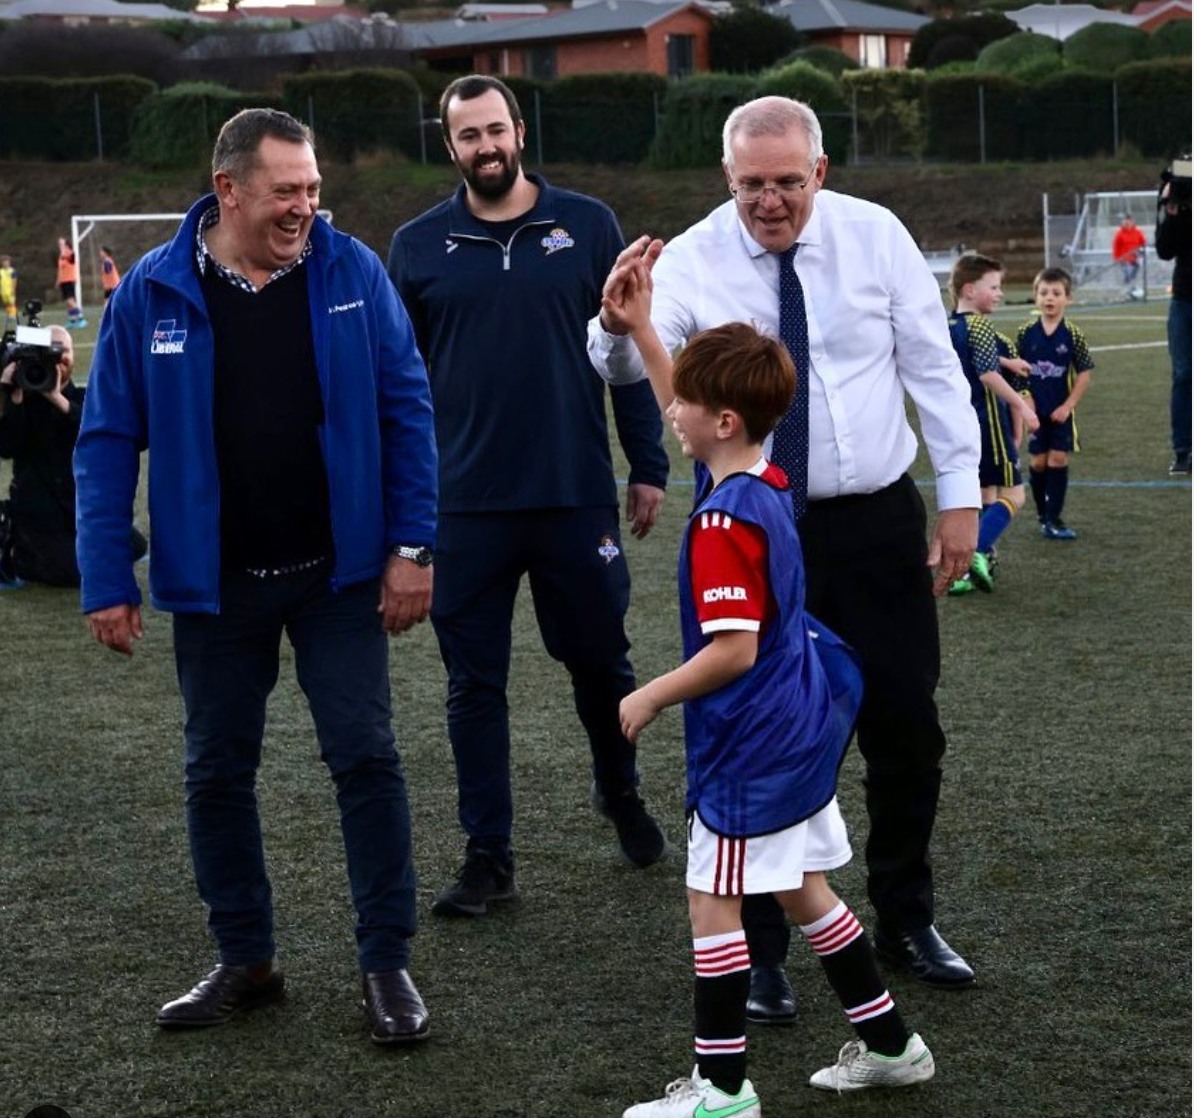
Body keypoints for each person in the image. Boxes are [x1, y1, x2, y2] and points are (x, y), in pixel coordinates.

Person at [589, 95, 981, 1017]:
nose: (770, 201)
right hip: (758, 528)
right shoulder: (693, 256)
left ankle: (906, 917)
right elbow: (634, 370)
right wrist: (615, 323)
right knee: (755, 736)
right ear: (727, 178)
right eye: (752, 185)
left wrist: (962, 497)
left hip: (873, 520)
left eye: (788, 183)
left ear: (822, 171)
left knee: (905, 723)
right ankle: (760, 953)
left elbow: (933, 367)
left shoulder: (876, 236)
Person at [74, 108, 439, 1045]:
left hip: (337, 575)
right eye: (285, 191)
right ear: (228, 190)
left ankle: (385, 963)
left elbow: (407, 407)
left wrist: (413, 546)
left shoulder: (352, 270)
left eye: (312, 189)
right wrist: (105, 575)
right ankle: (247, 960)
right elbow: (106, 440)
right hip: (217, 583)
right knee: (216, 771)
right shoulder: (152, 289)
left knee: (365, 757)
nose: (304, 207)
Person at [608, 311, 934, 1116]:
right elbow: (690, 407)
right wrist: (644, 331)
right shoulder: (762, 479)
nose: (671, 412)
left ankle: (722, 1092)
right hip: (798, 722)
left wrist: (650, 694)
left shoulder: (722, 521)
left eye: (685, 404)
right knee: (801, 888)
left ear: (723, 421)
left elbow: (733, 650)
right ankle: (893, 1047)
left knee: (712, 901)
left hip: (749, 741)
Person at [386, 75, 670, 918]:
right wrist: (403, 508)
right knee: (474, 685)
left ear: (519, 130)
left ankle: (620, 791)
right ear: (450, 145)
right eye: (468, 135)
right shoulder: (417, 245)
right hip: (464, 505)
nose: (486, 147)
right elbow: (399, 385)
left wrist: (647, 464)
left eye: (495, 129)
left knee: (600, 663)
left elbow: (623, 350)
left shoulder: (588, 226)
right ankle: (489, 857)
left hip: (572, 494)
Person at [1, 325, 145, 588]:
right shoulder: (22, 401)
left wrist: (56, 398)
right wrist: (13, 399)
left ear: (73, 356)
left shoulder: (83, 398)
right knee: (79, 571)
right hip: (40, 517)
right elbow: (7, 446)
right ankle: (16, 553)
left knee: (134, 545)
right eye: (49, 352)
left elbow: (94, 432)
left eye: (63, 351)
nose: (58, 358)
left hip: (78, 510)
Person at [945, 252, 1039, 595]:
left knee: (984, 493)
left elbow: (970, 357)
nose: (1000, 294)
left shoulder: (951, 326)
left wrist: (1006, 361)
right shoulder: (982, 325)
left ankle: (964, 575)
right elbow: (986, 374)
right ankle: (975, 553)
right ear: (970, 290)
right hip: (988, 421)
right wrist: (1023, 408)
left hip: (961, 423)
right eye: (994, 287)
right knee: (1015, 494)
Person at [1016, 267, 1094, 540]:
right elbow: (1017, 371)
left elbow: (1084, 373)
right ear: (1036, 296)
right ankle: (1042, 514)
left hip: (1061, 412)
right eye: (1044, 292)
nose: (1049, 298)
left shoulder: (1073, 334)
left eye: (1056, 293)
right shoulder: (1025, 333)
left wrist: (1068, 406)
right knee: (1038, 463)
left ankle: (1054, 519)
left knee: (1058, 459)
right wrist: (1025, 401)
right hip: (1034, 413)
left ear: (1068, 299)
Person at [1155, 165, 1191, 476]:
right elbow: (1165, 250)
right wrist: (1171, 207)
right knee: (1184, 375)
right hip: (1185, 298)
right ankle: (1183, 451)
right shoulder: (1180, 196)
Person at [1111, 213, 1146, 298]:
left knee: (1133, 275)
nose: (1127, 223)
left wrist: (1142, 254)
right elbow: (1116, 246)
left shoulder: (1138, 232)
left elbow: (1143, 243)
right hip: (1124, 259)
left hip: (1136, 259)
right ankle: (1126, 289)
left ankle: (1131, 290)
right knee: (1128, 273)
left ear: (1133, 222)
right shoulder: (1119, 234)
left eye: (1129, 221)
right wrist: (1116, 258)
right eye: (1125, 221)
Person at [57, 237, 86, 329]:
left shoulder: (70, 254)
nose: (60, 246)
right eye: (59, 244)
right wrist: (58, 280)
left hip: (69, 280)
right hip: (63, 281)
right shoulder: (62, 256)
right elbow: (61, 269)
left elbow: (70, 259)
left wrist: (63, 248)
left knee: (70, 301)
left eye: (62, 244)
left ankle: (81, 318)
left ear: (66, 245)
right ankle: (72, 320)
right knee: (68, 302)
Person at [0, 254, 16, 319]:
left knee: (11, 302)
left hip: (10, 289)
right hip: (3, 290)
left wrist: (13, 289)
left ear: (9, 262)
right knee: (6, 303)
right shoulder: (1, 271)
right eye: (4, 262)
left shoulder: (12, 271)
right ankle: (9, 313)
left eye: (7, 262)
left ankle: (13, 315)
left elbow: (14, 280)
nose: (5, 263)